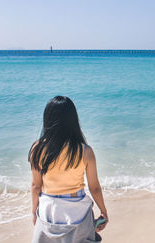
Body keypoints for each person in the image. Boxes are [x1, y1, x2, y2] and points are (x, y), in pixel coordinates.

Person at [28, 96, 108, 242]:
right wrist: (104, 211)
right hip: (78, 211)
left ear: (47, 119)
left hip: (49, 210)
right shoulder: (85, 151)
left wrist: (34, 212)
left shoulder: (37, 148)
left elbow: (36, 186)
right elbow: (94, 187)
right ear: (73, 120)